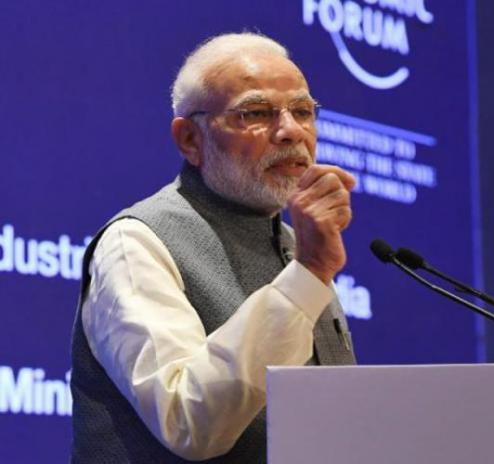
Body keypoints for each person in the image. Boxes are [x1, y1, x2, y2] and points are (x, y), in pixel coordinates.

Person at [70, 32, 356, 463]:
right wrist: (310, 272)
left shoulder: (297, 246)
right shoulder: (136, 241)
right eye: (255, 113)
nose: (291, 131)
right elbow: (188, 422)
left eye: (302, 111)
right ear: (190, 139)